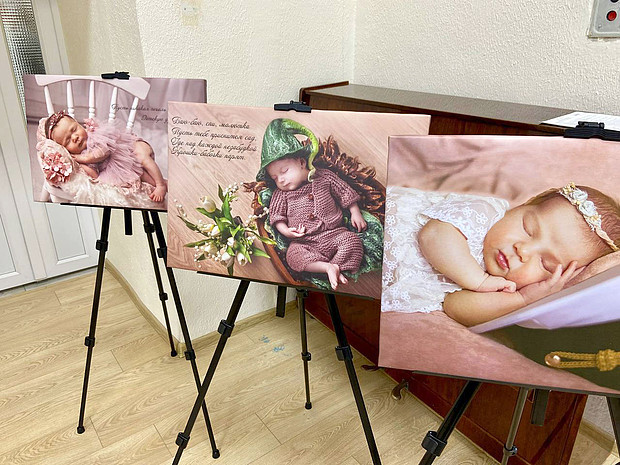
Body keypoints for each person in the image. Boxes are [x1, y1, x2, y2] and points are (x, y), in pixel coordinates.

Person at [382, 183, 620, 326]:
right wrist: (479, 281)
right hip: (376, 219)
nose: (523, 250)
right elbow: (433, 236)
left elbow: (455, 307)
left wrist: (522, 299)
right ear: (522, 206)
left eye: (545, 263)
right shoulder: (485, 212)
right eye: (528, 228)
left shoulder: (506, 286)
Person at [258, 118, 367, 290]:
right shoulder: (280, 194)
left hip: (335, 234)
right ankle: (327, 268)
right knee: (293, 256)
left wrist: (355, 212)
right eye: (275, 178)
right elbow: (276, 217)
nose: (281, 180)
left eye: (284, 171)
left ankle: (335, 267)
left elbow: (345, 192)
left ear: (302, 162)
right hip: (305, 242)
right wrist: (286, 231)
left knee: (353, 242)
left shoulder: (324, 177)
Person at [45, 110, 167, 202]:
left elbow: (104, 151)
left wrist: (85, 158)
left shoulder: (94, 135)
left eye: (74, 129)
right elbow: (95, 176)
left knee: (142, 157)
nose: (75, 137)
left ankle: (160, 184)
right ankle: (164, 184)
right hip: (124, 166)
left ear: (79, 124)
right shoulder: (81, 156)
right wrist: (83, 166)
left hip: (132, 148)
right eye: (67, 141)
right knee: (139, 175)